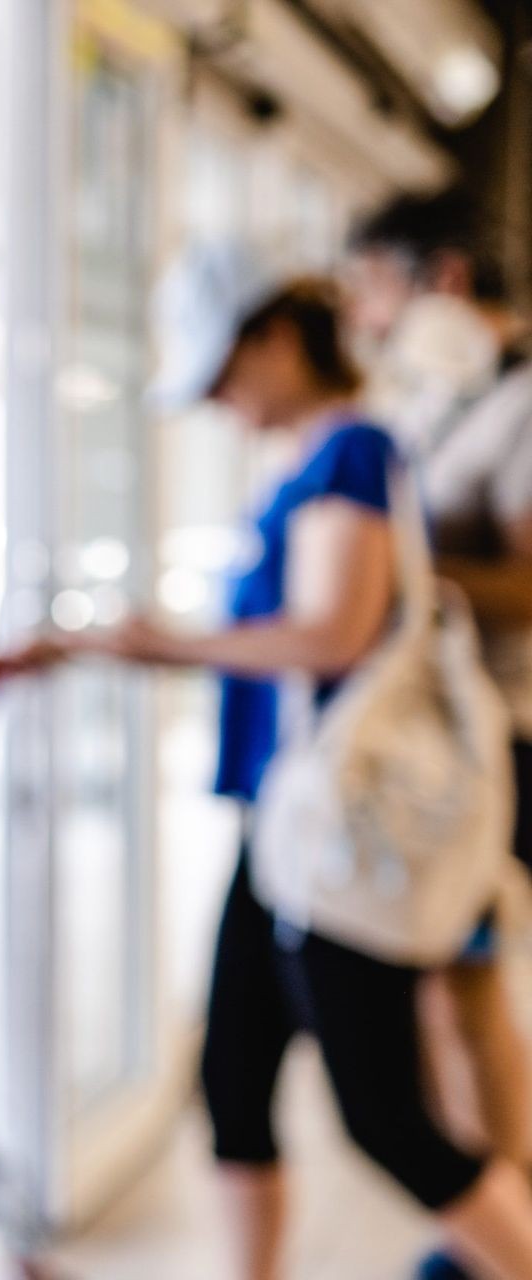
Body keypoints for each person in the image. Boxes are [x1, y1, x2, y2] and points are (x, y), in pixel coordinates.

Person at [81, 247, 532, 1280]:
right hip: (279, 823)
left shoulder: (352, 452)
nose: (224, 404)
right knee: (234, 1082)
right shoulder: (310, 461)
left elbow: (334, 632)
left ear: (279, 340)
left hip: (331, 832)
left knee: (384, 1115)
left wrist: (164, 643)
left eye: (227, 375)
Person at [345, 192, 532, 1280]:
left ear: (442, 279)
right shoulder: (446, 396)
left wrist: (397, 573)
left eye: (373, 285)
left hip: (502, 732)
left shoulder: (519, 404)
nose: (365, 315)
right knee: (457, 985)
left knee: (462, 981)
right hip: (449, 737)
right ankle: (494, 1213)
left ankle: (502, 1223)